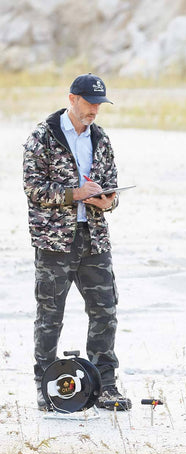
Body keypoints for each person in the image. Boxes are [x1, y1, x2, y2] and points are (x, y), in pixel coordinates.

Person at [23, 73, 131, 411]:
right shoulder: (42, 137)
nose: (95, 110)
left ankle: (105, 386)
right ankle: (46, 387)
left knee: (105, 312)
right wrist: (74, 194)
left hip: (94, 239)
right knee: (50, 315)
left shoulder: (101, 139)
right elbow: (32, 188)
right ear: (72, 99)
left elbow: (111, 188)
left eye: (99, 104)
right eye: (89, 103)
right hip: (54, 242)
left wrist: (107, 201)